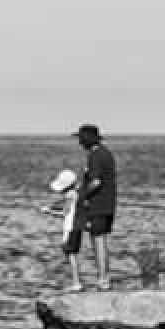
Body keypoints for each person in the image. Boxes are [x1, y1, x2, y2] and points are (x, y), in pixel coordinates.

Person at [72, 123, 116, 290]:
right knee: (100, 239)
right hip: (108, 203)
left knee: (98, 240)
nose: (80, 143)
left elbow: (96, 182)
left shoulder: (95, 155)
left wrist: (82, 195)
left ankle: (103, 279)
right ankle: (104, 278)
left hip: (98, 204)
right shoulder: (106, 153)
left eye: (81, 139)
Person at [48, 168, 83, 290]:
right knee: (69, 252)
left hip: (70, 227)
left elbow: (65, 213)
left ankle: (76, 283)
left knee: (70, 254)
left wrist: (49, 212)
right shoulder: (76, 193)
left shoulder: (70, 195)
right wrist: (54, 207)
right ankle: (75, 281)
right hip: (76, 226)